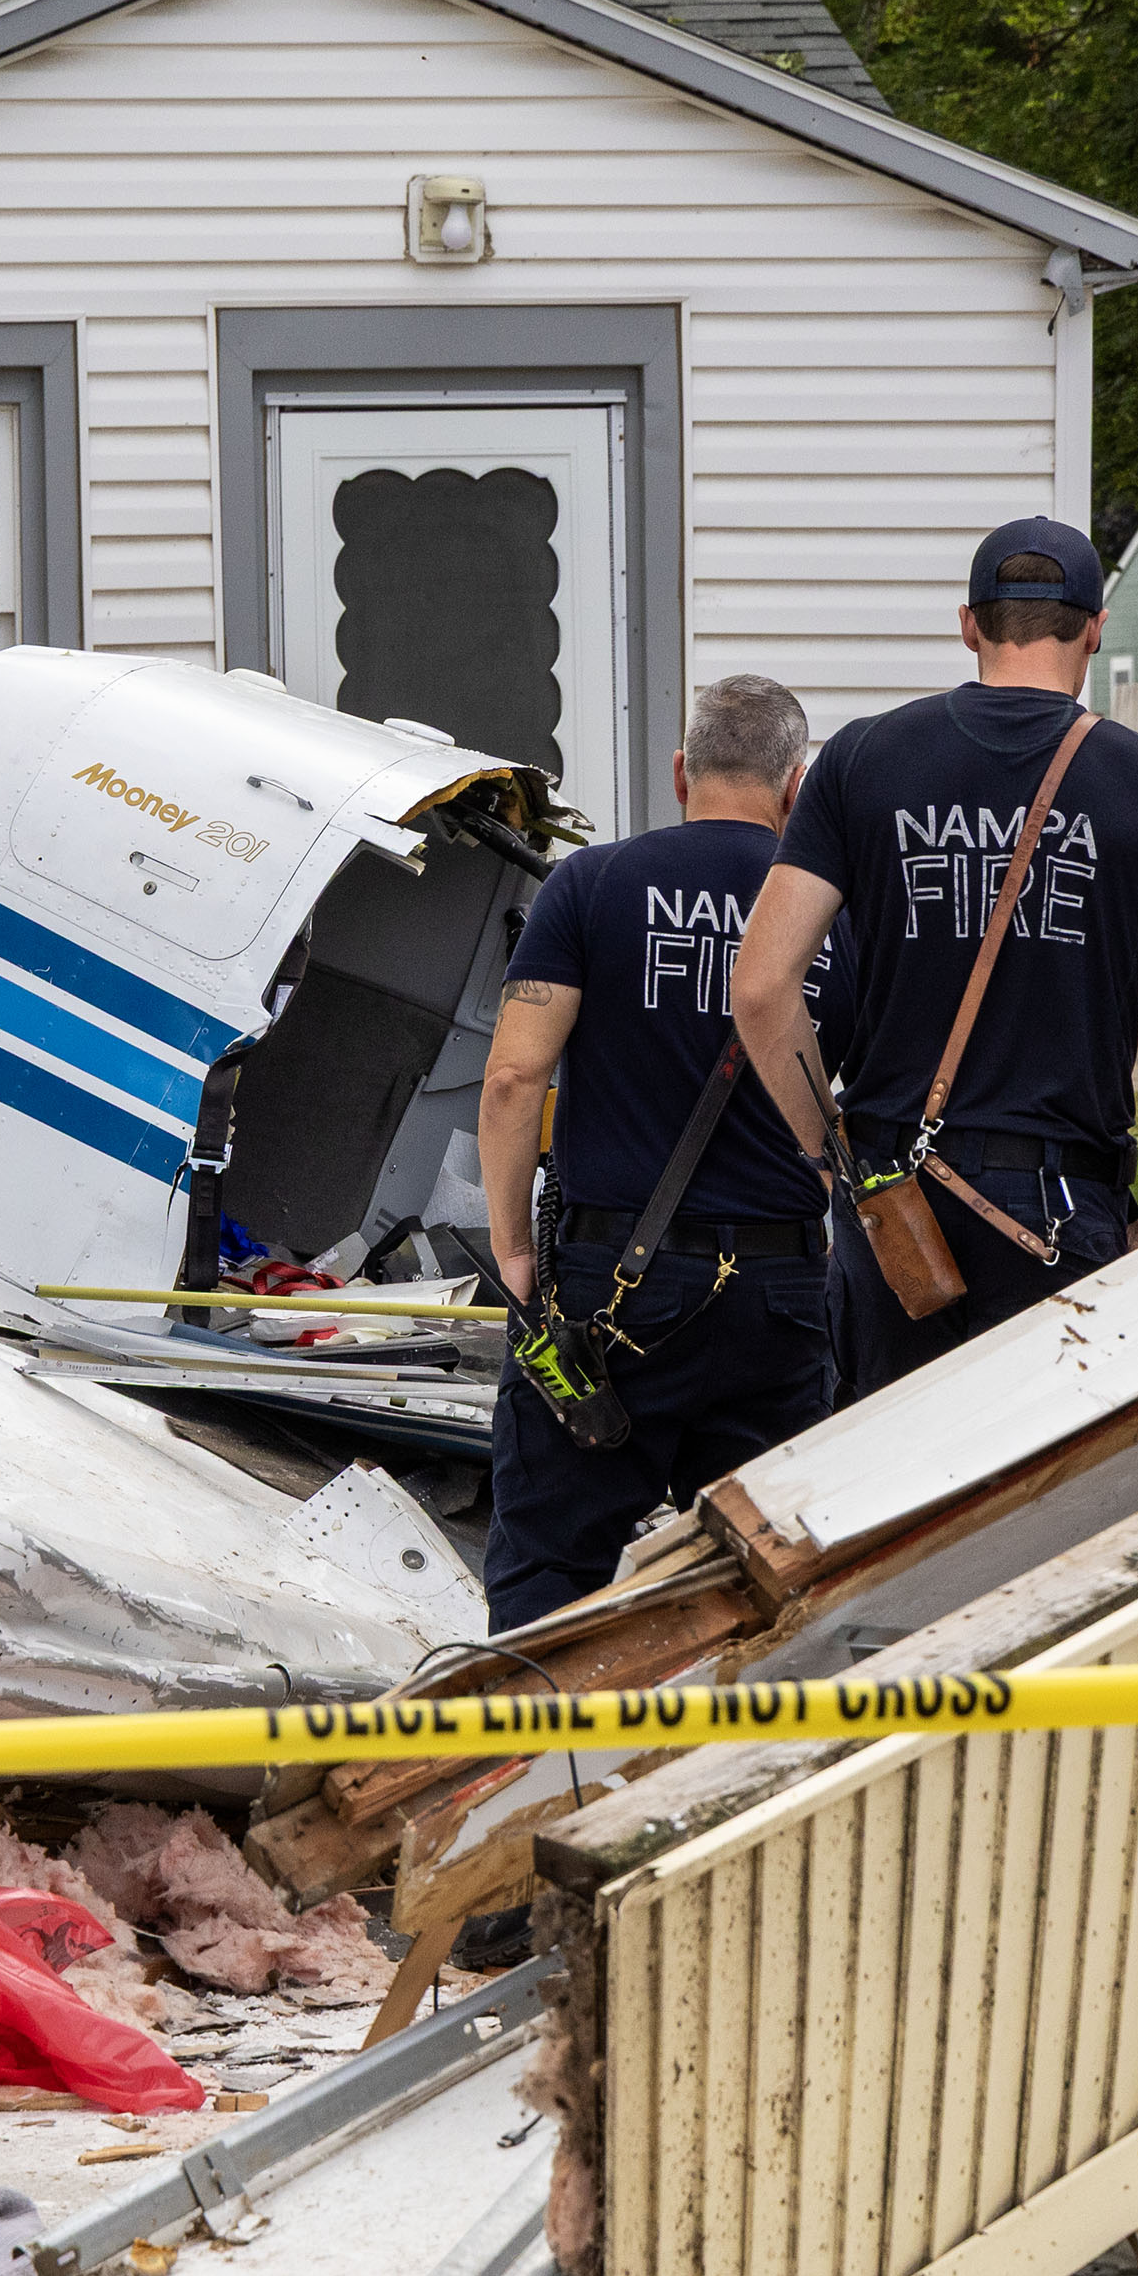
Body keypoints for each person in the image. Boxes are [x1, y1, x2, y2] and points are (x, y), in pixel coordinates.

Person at [732, 518, 1138, 1395]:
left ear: (969, 624)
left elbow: (761, 983)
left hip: (896, 1212)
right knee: (1046, 1499)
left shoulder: (863, 759)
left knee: (884, 1487)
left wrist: (832, 1157)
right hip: (1063, 1212)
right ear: (1095, 628)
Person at [478, 675, 840, 1628]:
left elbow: (515, 1078)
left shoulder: (590, 884)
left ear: (682, 773)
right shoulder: (838, 913)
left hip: (612, 1292)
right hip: (779, 1294)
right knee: (770, 1580)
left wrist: (514, 1248)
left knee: (548, 1571)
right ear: (796, 788)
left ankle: (535, 1770)